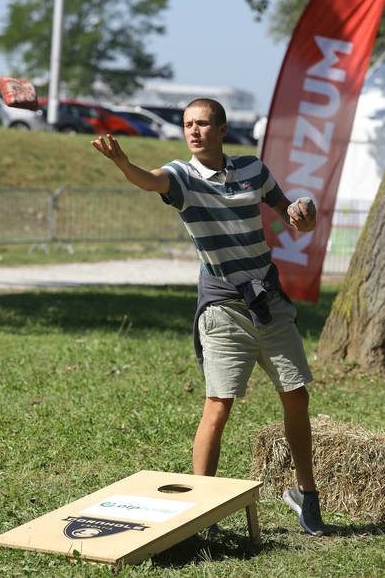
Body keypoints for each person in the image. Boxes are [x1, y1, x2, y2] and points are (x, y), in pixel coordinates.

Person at [91, 98, 325, 537]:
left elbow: (292, 216)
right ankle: (204, 510)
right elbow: (151, 180)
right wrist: (124, 163)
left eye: (201, 124)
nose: (193, 131)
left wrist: (304, 214)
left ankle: (306, 495)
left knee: (296, 396)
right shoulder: (182, 176)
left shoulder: (253, 170)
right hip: (222, 308)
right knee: (219, 406)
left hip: (269, 303)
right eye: (187, 125)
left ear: (220, 130)